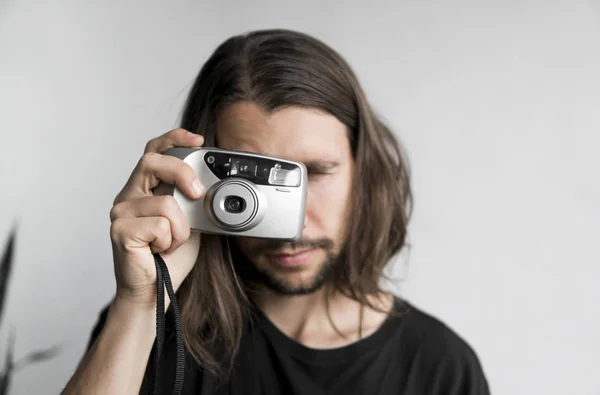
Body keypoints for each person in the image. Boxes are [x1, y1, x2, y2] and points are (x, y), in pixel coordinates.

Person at [62, 29, 490, 394]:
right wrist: (139, 304)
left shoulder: (440, 367)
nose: (292, 225)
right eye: (250, 183)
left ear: (365, 172)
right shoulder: (151, 326)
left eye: (314, 173)